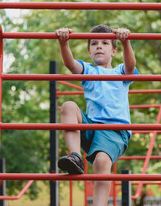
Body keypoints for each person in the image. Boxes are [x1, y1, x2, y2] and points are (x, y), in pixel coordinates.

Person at [55, 25, 138, 206]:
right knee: (68, 106)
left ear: (114, 51)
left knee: (101, 161)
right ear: (89, 51)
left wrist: (126, 42)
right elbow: (70, 64)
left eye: (105, 43)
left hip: (114, 131)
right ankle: (76, 157)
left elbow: (131, 66)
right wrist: (64, 43)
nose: (99, 46)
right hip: (91, 127)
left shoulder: (120, 72)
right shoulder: (89, 71)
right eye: (94, 43)